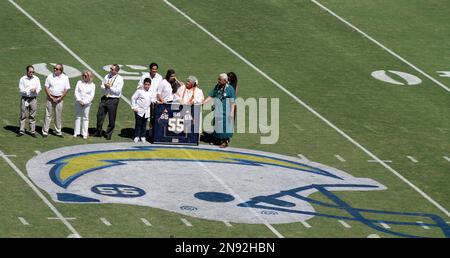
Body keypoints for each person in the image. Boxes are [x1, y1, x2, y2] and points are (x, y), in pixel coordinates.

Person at [203, 73, 236, 148]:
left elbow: (232, 102)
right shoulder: (217, 87)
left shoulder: (230, 89)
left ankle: (225, 141)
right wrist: (204, 102)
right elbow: (211, 95)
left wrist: (231, 112)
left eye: (219, 80)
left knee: (225, 126)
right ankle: (218, 140)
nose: (218, 81)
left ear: (225, 81)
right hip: (218, 110)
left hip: (226, 111)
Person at [94, 64, 124, 140]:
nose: (110, 70)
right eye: (110, 68)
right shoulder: (107, 76)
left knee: (111, 118)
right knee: (99, 115)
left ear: (116, 71)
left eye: (112, 69)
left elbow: (118, 91)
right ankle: (98, 132)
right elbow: (102, 85)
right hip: (104, 98)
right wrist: (104, 86)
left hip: (113, 100)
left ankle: (108, 134)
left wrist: (109, 87)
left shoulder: (120, 79)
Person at [42, 63, 70, 138]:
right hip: (50, 98)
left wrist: (60, 98)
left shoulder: (65, 78)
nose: (55, 70)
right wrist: (50, 96)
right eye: (54, 68)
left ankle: (58, 131)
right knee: (48, 115)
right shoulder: (50, 76)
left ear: (61, 70)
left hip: (59, 99)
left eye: (57, 69)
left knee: (58, 116)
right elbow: (46, 87)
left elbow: (66, 89)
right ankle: (45, 131)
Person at [18, 65, 41, 137]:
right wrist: (28, 90)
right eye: (30, 72)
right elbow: (21, 90)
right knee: (23, 115)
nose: (31, 73)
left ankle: (32, 131)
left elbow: (39, 87)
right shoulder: (22, 79)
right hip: (25, 99)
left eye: (33, 72)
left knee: (32, 115)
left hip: (33, 99)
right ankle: (21, 131)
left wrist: (35, 90)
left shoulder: (36, 78)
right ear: (27, 71)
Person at [131, 78, 155, 143]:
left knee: (144, 124)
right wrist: (134, 107)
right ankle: (136, 136)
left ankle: (143, 136)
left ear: (150, 85)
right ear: (143, 84)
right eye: (146, 84)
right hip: (139, 110)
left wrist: (157, 101)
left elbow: (152, 99)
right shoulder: (139, 91)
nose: (147, 86)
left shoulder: (151, 91)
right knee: (138, 124)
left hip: (147, 111)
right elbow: (133, 98)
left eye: (148, 84)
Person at [73, 70, 95, 139]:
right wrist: (79, 100)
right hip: (78, 102)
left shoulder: (92, 85)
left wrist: (84, 102)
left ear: (89, 77)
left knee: (85, 118)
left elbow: (91, 95)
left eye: (85, 76)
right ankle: (76, 132)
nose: (83, 77)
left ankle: (84, 133)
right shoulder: (79, 82)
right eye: (83, 75)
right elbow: (76, 92)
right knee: (78, 116)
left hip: (87, 104)